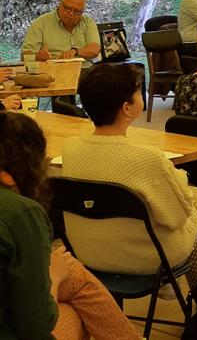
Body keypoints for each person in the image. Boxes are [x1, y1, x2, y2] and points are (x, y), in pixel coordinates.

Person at [61, 63, 197, 292]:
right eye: (138, 91)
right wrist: (179, 179)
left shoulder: (70, 149)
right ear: (126, 108)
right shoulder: (147, 158)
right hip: (145, 259)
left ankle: (173, 288)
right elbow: (177, 216)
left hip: (88, 253)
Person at [0, 111, 140, 340]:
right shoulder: (20, 212)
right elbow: (35, 327)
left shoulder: (74, 148)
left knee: (74, 282)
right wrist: (54, 277)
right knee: (76, 309)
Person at [22, 0, 100, 67]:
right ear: (60, 4)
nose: (71, 13)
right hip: (53, 71)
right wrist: (37, 57)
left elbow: (95, 50)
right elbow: (24, 57)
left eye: (77, 11)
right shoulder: (41, 23)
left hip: (84, 71)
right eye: (68, 8)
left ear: (82, 11)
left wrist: (76, 51)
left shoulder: (87, 22)